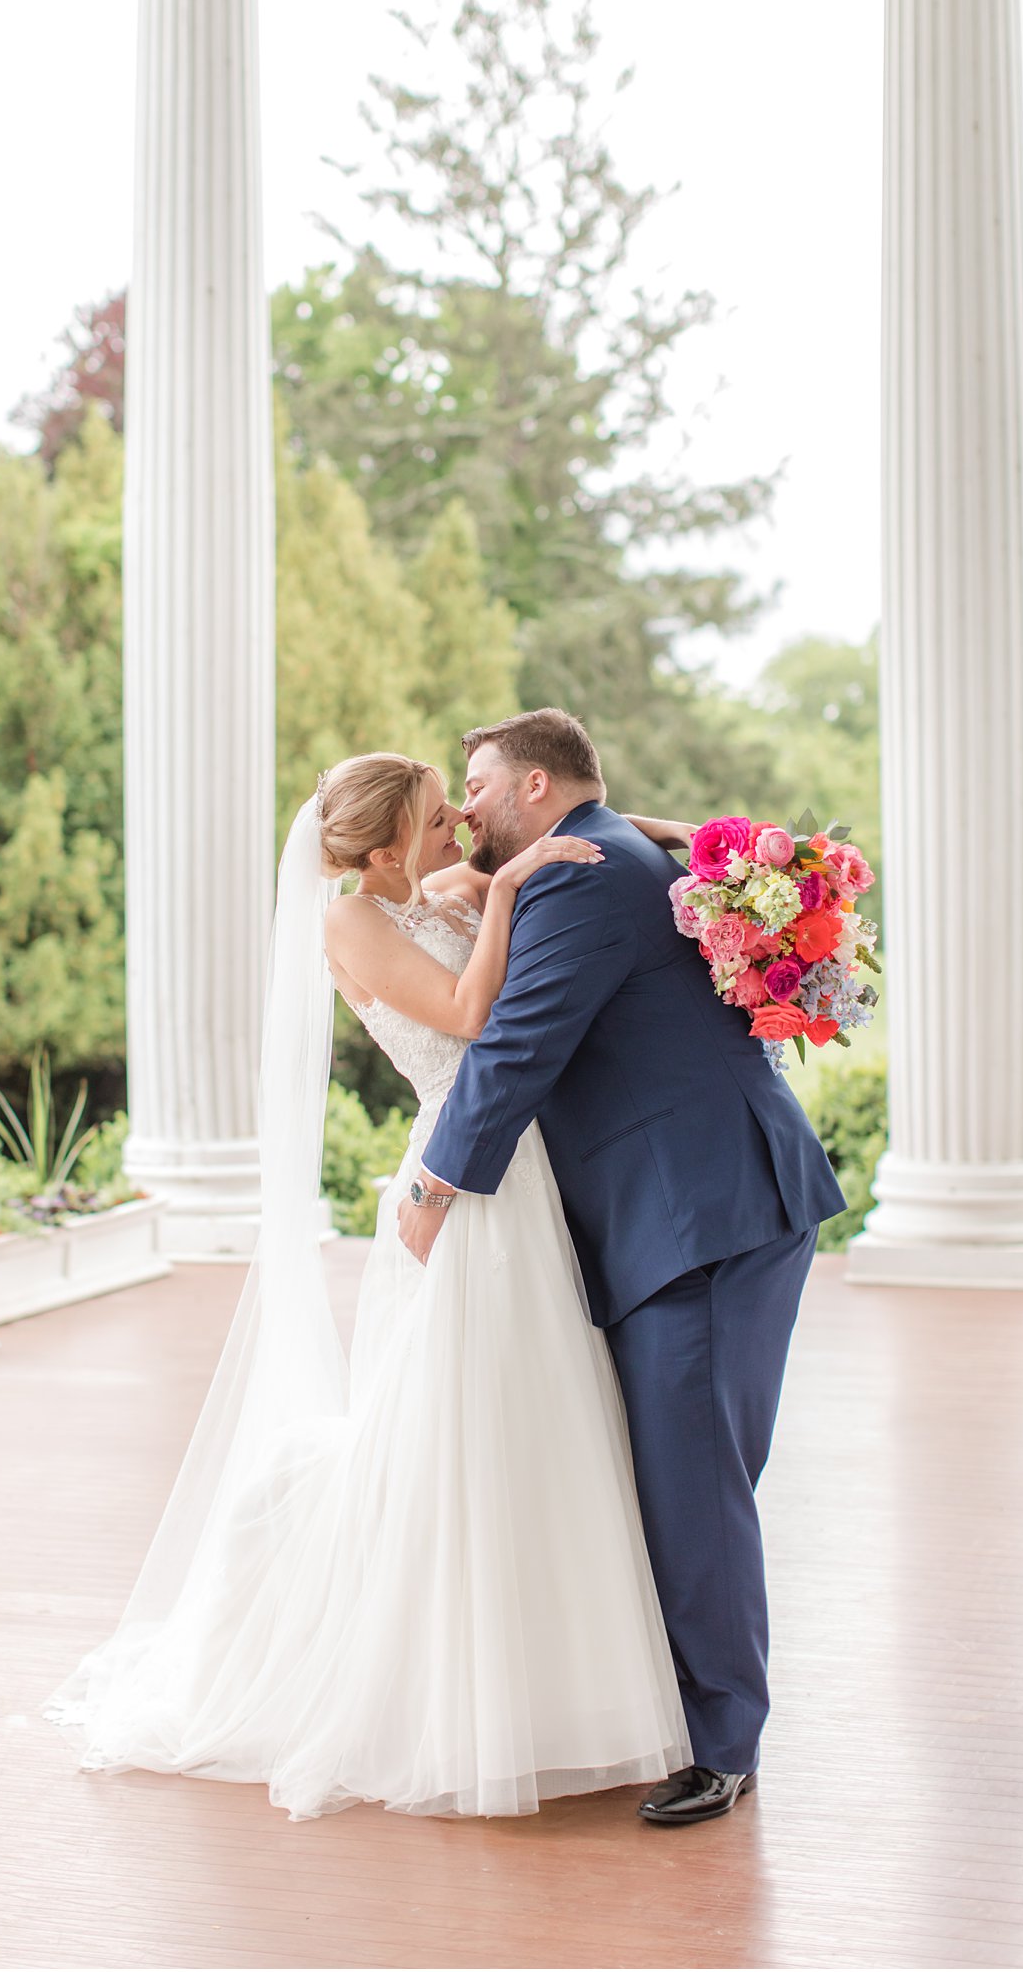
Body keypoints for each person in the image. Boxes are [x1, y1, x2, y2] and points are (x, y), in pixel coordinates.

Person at [42, 747, 705, 1820]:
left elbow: (575, 847)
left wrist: (673, 834)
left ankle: (554, 1688)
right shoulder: (347, 921)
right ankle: (435, 1689)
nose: (458, 831)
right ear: (388, 841)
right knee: (454, 1415)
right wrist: (515, 893)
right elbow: (465, 1017)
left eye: (455, 812)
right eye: (438, 819)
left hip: (518, 1173)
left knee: (535, 1408)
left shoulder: (438, 886)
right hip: (457, 1175)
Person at [399, 709, 847, 1827]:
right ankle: (688, 1706)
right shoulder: (595, 853)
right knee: (681, 1473)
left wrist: (433, 1186)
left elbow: (518, 1045)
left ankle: (722, 1744)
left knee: (693, 1482)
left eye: (480, 785)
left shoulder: (580, 880)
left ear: (539, 787)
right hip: (703, 1204)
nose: (465, 807)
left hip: (700, 1216)